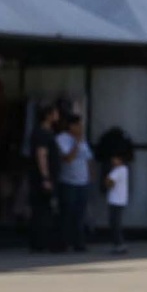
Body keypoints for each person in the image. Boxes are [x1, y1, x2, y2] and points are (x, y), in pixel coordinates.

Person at [54, 113, 94, 252]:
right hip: (68, 181)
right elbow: (68, 158)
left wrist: (90, 177)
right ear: (71, 126)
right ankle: (62, 242)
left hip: (82, 182)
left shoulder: (83, 141)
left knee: (80, 213)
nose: (80, 128)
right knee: (67, 212)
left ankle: (79, 242)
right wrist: (76, 142)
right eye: (78, 125)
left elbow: (88, 158)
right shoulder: (61, 139)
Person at [27, 103, 61, 252]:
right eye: (54, 113)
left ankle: (43, 240)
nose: (57, 116)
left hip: (49, 176)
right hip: (42, 178)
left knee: (45, 209)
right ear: (48, 116)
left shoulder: (49, 132)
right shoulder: (42, 133)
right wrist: (45, 177)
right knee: (42, 209)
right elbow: (41, 154)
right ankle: (39, 241)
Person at [105, 153, 130, 255]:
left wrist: (106, 180)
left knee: (115, 223)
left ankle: (119, 244)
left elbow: (110, 183)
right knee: (115, 222)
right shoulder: (124, 170)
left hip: (115, 200)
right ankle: (118, 243)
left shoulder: (118, 170)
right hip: (120, 199)